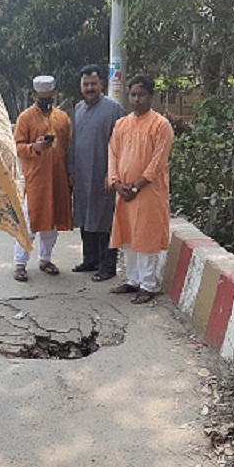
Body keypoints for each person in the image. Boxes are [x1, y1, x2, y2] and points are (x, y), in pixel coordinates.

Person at [107, 75, 174, 304]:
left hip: (148, 192)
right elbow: (112, 154)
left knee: (146, 237)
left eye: (141, 94)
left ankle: (148, 285)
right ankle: (133, 280)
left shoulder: (161, 125)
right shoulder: (121, 124)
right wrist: (116, 183)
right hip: (124, 192)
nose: (137, 99)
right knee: (128, 237)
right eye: (133, 94)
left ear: (151, 96)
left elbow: (157, 163)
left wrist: (136, 186)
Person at [67, 64, 126, 282]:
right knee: (85, 217)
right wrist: (71, 169)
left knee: (104, 220)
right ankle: (89, 260)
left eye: (93, 83)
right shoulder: (78, 109)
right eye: (86, 84)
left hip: (104, 175)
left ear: (101, 84)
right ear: (81, 86)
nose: (89, 88)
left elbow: (122, 145)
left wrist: (113, 174)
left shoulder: (114, 109)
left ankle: (107, 266)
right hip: (82, 176)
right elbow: (73, 142)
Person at [12, 75, 73, 282]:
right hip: (36, 180)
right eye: (41, 98)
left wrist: (70, 175)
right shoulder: (25, 118)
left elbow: (68, 147)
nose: (45, 101)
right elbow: (17, 147)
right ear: (34, 96)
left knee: (51, 223)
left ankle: (45, 260)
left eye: (49, 98)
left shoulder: (63, 118)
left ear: (54, 95)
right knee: (29, 222)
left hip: (58, 179)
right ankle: (20, 264)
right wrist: (34, 148)